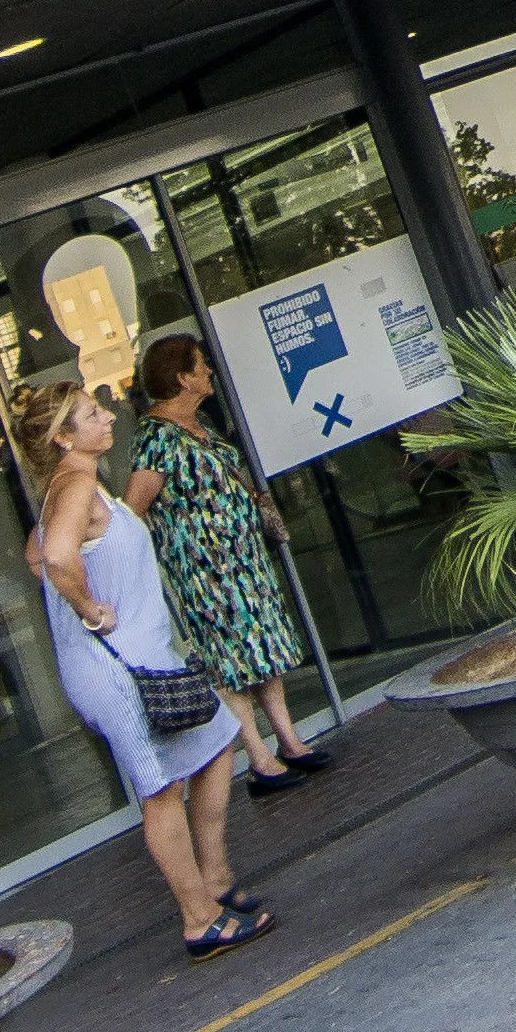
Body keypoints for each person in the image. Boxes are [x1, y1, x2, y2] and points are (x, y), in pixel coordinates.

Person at [13, 377, 268, 957]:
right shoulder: (76, 485)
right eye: (90, 414)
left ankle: (217, 879)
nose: (106, 417)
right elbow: (53, 557)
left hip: (139, 660)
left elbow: (36, 552)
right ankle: (199, 919)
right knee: (160, 791)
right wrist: (88, 607)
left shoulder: (72, 489)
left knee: (219, 736)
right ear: (62, 438)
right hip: (114, 670)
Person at [115, 334, 330, 794]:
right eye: (201, 365)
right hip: (206, 575)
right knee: (230, 663)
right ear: (183, 377)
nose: (209, 371)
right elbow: (134, 508)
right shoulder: (155, 438)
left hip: (244, 564)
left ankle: (289, 740)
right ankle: (259, 757)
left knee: (264, 650)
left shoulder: (199, 424)